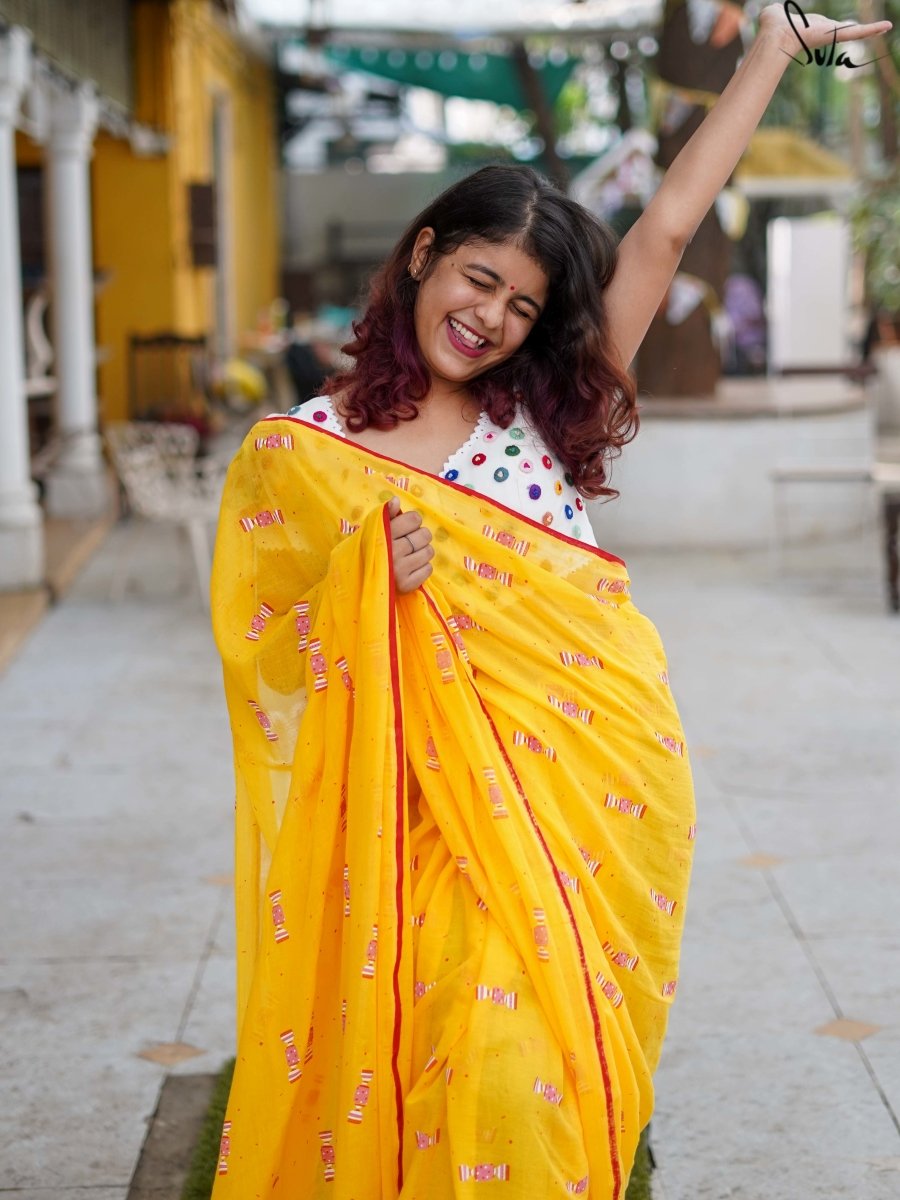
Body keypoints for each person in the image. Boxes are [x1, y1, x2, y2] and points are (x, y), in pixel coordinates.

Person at [209, 8, 891, 1198]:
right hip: (424, 806)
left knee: (527, 1056)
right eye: (480, 280)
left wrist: (774, 51)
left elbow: (667, 226)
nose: (491, 318)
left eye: (522, 305)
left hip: (593, 778)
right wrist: (369, 582)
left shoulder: (534, 409)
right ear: (423, 255)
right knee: (462, 1048)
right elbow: (267, 650)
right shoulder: (308, 449)